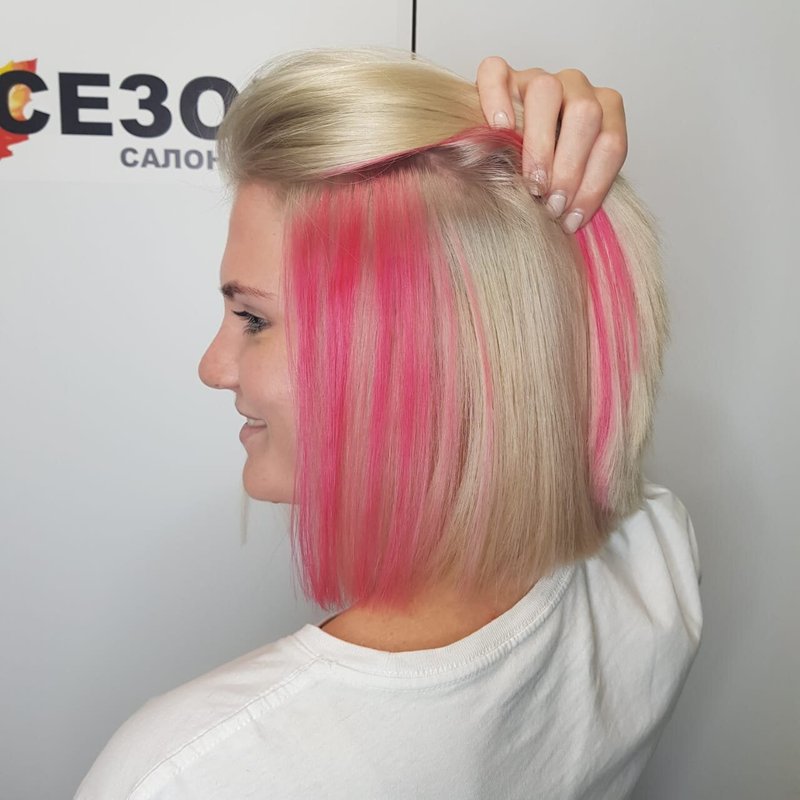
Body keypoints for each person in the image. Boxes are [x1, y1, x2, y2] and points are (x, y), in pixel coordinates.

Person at [74, 47, 702, 799]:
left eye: (253, 318)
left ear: (422, 351)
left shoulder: (193, 773)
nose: (214, 367)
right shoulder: (656, 565)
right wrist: (516, 189)